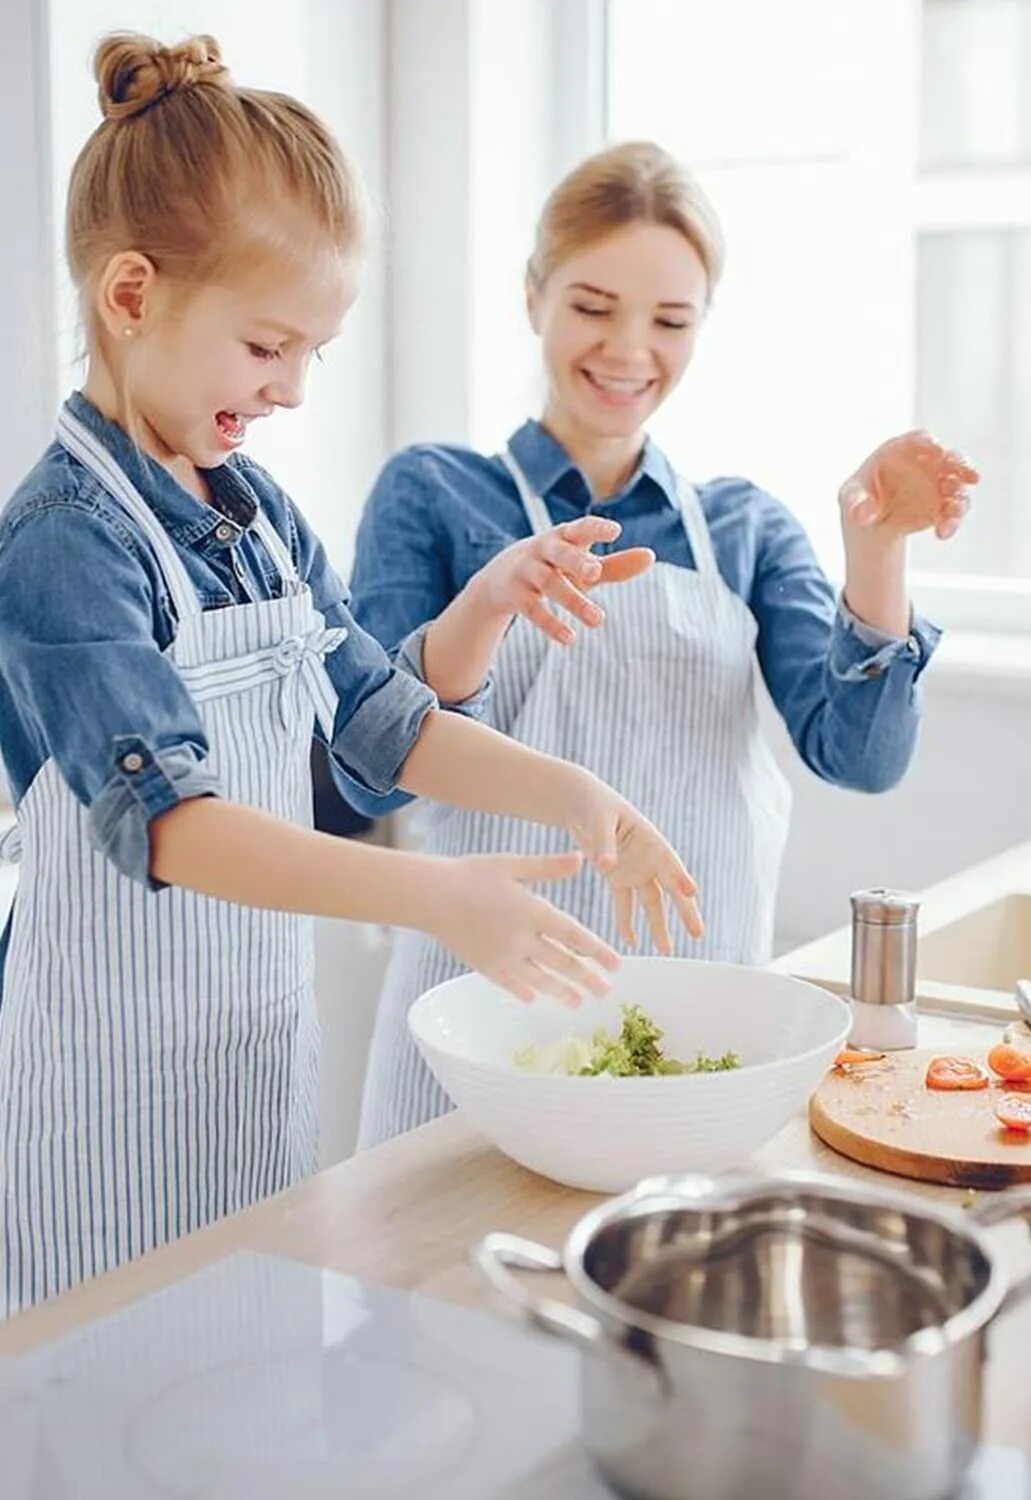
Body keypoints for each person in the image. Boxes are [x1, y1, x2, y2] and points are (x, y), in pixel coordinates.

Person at [0, 38, 698, 1315]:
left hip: (250, 1062)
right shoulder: (64, 546)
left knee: (241, 1378)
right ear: (132, 293)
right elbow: (173, 828)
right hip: (102, 1093)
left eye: (313, 353)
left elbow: (384, 721)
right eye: (269, 347)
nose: (292, 389)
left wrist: (579, 797)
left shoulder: (256, 512)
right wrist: (438, 893)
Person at [346, 141, 977, 1147]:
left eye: (670, 321)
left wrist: (878, 553)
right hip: (473, 1031)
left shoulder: (744, 528)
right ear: (533, 298)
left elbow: (860, 756)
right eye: (594, 307)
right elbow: (368, 778)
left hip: (695, 1041)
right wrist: (491, 601)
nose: (629, 350)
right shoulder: (430, 494)